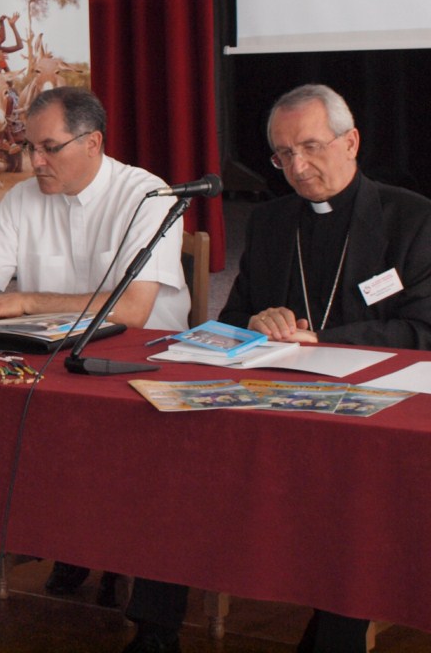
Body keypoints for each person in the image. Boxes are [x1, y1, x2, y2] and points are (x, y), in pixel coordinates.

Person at [123, 83, 431, 653]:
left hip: (365, 409)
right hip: (269, 401)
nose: (298, 166)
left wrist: (321, 339)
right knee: (179, 462)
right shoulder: (271, 221)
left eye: (310, 147)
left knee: (356, 502)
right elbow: (231, 320)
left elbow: (423, 331)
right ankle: (154, 632)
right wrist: (255, 322)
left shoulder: (412, 220)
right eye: (284, 154)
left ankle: (335, 635)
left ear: (351, 142)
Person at [0, 87, 191, 601]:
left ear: (92, 143)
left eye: (49, 148)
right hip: (52, 364)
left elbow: (133, 309)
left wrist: (27, 301)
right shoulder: (23, 197)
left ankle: (120, 559)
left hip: (137, 365)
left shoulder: (148, 195)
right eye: (29, 147)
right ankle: (67, 543)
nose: (34, 161)